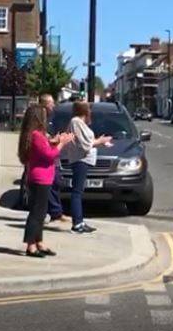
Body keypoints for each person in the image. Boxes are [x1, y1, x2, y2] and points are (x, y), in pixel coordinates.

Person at [18, 104, 73, 257]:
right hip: (40, 179)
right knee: (36, 213)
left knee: (41, 213)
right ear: (38, 118)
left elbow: (44, 149)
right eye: (44, 115)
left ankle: (39, 242)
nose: (46, 117)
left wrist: (54, 141)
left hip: (42, 178)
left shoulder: (35, 135)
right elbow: (49, 155)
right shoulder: (36, 135)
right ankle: (30, 245)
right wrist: (61, 143)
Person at [63, 101, 112, 234]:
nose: (91, 110)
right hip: (80, 160)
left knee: (78, 191)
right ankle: (77, 224)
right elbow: (85, 145)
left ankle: (80, 221)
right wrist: (100, 141)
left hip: (82, 160)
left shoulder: (79, 122)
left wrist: (100, 142)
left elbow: (86, 142)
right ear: (85, 110)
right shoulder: (76, 122)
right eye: (89, 108)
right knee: (77, 192)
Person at [39, 93, 71, 223]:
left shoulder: (53, 117)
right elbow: (40, 137)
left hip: (54, 155)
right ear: (44, 104)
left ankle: (54, 212)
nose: (53, 105)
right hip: (46, 155)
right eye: (51, 103)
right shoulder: (39, 118)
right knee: (50, 184)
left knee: (56, 182)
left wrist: (58, 137)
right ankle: (55, 212)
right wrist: (55, 140)